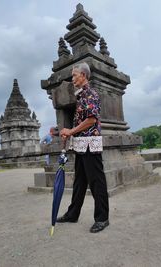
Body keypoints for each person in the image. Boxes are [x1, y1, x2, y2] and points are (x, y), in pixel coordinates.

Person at [58, 62, 109, 233]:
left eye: (74, 75)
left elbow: (91, 120)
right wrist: (71, 134)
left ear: (84, 76)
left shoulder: (90, 94)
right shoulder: (81, 96)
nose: (72, 79)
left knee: (96, 182)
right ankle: (73, 214)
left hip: (90, 144)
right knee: (79, 182)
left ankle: (102, 218)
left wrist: (71, 131)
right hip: (81, 145)